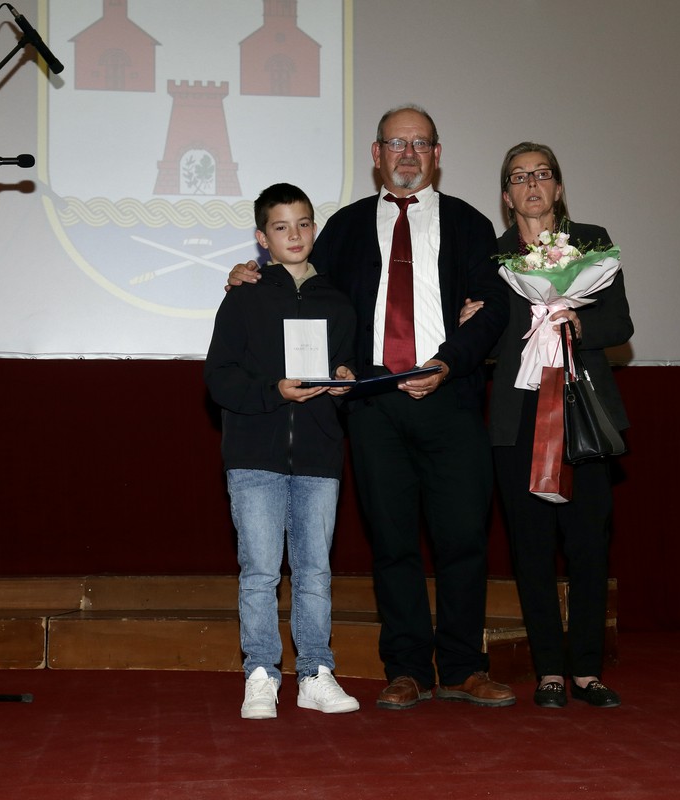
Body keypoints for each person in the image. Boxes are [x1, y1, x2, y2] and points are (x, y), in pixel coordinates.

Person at [230, 105, 514, 710]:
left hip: (452, 398)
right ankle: (406, 669)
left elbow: (493, 306)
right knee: (392, 541)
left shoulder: (470, 223)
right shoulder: (346, 227)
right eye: (396, 143)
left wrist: (448, 362)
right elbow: (307, 289)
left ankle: (463, 667)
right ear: (376, 154)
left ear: (437, 153)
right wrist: (250, 272)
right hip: (373, 405)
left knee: (464, 539)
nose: (408, 154)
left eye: (420, 143)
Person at [485, 142, 633, 708]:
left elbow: (620, 323)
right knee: (531, 546)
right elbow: (484, 336)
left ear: (559, 186)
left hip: (582, 407)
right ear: (506, 195)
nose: (532, 184)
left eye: (541, 174)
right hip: (519, 413)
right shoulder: (492, 255)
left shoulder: (592, 242)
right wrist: (477, 318)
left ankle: (587, 670)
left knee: (588, 543)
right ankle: (549, 669)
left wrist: (576, 321)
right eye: (519, 177)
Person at [205, 183, 360, 720]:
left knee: (315, 572)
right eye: (280, 227)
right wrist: (274, 392)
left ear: (315, 228)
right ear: (261, 238)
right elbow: (218, 378)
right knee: (260, 572)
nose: (294, 235)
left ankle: (315, 672)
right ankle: (261, 674)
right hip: (254, 456)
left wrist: (344, 382)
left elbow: (347, 369)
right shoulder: (244, 297)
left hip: (319, 454)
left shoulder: (338, 300)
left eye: (303, 224)